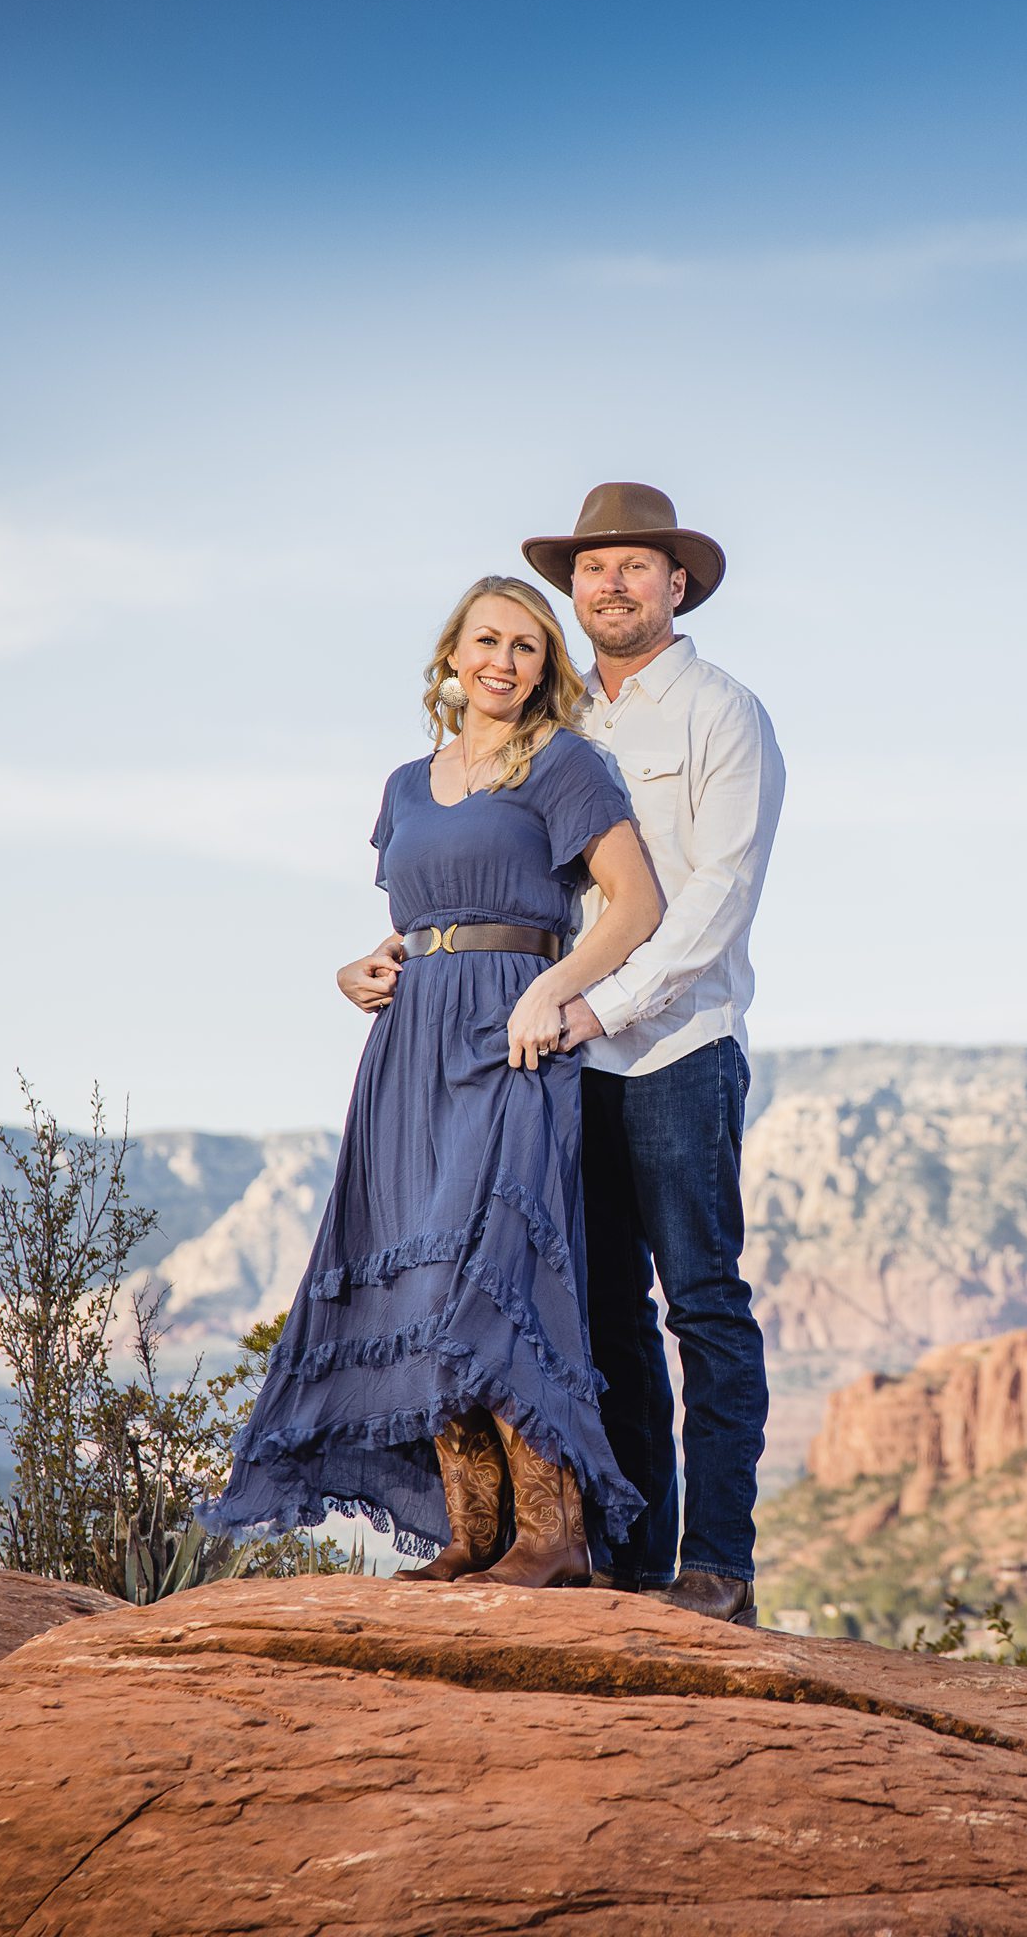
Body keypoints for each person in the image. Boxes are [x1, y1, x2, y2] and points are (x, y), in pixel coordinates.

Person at [205, 574, 663, 1587]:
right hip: (409, 1042)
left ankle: (555, 1538)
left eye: (527, 646)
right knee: (417, 1268)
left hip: (513, 1037)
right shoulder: (407, 785)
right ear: (451, 657)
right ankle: (474, 1533)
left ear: (546, 669)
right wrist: (358, 967)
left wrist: (556, 989)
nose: (503, 659)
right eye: (485, 640)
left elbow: (636, 905)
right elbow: (427, 918)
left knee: (493, 1261)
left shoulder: (567, 763)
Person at [521, 483, 786, 1625]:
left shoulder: (724, 713)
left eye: (635, 566)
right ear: (570, 589)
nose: (611, 584)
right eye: (592, 568)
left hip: (678, 1047)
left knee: (704, 1307)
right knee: (605, 1316)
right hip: (571, 1058)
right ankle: (630, 1560)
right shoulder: (555, 726)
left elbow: (717, 897)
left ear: (678, 584)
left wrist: (605, 1006)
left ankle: (717, 1563)